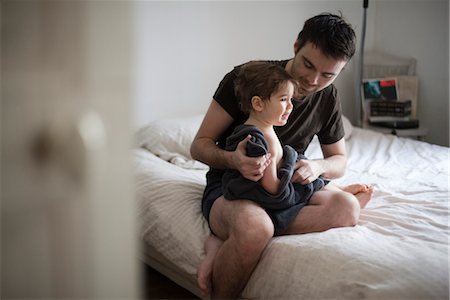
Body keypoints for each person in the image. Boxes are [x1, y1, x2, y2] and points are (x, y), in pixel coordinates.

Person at [191, 12, 374, 298]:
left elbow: (339, 160)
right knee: (255, 228)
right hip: (232, 188)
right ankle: (232, 238)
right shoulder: (248, 78)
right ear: (296, 46)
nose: (313, 80)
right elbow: (199, 144)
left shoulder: (327, 98)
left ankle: (222, 239)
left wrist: (316, 167)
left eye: (327, 75)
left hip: (284, 184)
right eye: (308, 65)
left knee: (347, 208)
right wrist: (233, 159)